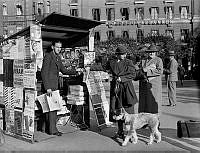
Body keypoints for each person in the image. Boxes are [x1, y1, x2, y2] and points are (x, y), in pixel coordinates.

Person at [41, 40, 81, 136]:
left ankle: (45, 129)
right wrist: (47, 87)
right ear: (52, 47)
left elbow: (63, 70)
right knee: (51, 109)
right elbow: (43, 72)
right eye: (57, 47)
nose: (59, 49)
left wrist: (75, 71)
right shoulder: (48, 56)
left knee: (50, 109)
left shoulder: (58, 57)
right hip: (50, 87)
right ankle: (52, 130)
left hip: (54, 86)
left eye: (60, 47)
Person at [138, 44, 163, 115]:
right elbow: (138, 69)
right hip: (143, 85)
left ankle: (155, 123)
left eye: (153, 52)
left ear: (155, 53)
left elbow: (160, 71)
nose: (151, 53)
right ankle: (145, 123)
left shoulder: (158, 60)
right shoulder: (143, 60)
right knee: (144, 104)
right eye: (150, 52)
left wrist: (147, 70)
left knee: (153, 103)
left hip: (154, 85)